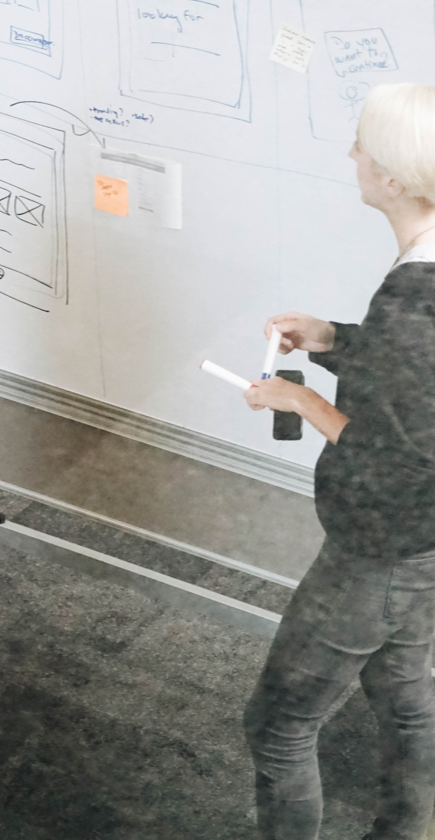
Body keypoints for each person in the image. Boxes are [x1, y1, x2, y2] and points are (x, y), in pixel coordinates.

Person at [242, 82, 435, 840]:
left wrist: (302, 404)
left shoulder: (416, 296)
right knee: (407, 702)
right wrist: (332, 341)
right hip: (423, 544)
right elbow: (414, 383)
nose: (350, 154)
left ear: (392, 175)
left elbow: (405, 455)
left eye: (361, 145)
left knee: (277, 726)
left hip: (378, 548)